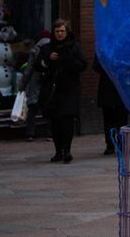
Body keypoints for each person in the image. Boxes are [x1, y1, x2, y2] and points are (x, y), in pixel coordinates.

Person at [35, 19, 87, 163]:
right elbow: (37, 65)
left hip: (69, 89)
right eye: (57, 31)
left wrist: (66, 59)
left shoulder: (74, 47)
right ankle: (58, 151)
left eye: (62, 31)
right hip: (52, 90)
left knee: (67, 120)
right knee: (55, 122)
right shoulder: (47, 48)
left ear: (67, 32)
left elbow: (82, 65)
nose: (59, 34)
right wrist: (48, 60)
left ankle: (66, 150)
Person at [17, 31, 51, 142]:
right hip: (48, 83)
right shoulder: (54, 48)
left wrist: (22, 85)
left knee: (32, 110)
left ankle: (30, 134)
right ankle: (50, 133)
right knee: (49, 108)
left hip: (35, 83)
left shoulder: (35, 50)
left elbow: (28, 70)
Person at [93, 57, 130, 155]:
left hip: (120, 88)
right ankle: (110, 144)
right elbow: (96, 66)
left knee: (121, 119)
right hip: (107, 88)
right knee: (109, 119)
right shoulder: (102, 49)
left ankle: (122, 144)